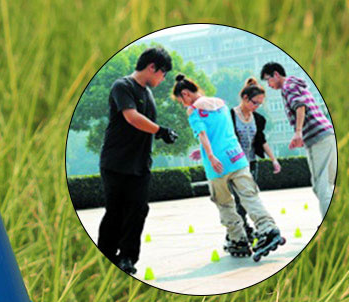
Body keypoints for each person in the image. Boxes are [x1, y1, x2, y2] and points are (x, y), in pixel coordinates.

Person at [172, 74, 282, 258]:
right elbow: (222, 132)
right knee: (250, 196)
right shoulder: (221, 103)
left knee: (224, 203)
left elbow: (202, 134)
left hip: (218, 164)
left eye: (180, 100)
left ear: (185, 94)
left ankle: (238, 239)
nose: (183, 104)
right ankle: (268, 229)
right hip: (237, 158)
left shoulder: (193, 110)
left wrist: (210, 156)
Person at [98, 47, 178, 275]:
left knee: (138, 210)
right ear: (152, 67)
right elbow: (132, 117)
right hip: (116, 162)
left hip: (140, 164)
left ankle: (127, 257)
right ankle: (106, 256)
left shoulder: (148, 94)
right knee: (115, 211)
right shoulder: (122, 86)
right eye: (163, 73)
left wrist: (160, 133)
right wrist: (161, 131)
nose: (163, 79)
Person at [260, 62, 336, 216]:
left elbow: (300, 106)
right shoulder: (296, 84)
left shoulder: (288, 87)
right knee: (327, 183)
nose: (268, 85)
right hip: (327, 133)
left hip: (317, 138)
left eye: (268, 80)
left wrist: (298, 132)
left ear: (276, 74)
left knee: (320, 185)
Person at [229, 79, 281, 240]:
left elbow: (261, 140)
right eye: (255, 102)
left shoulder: (258, 119)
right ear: (245, 98)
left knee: (249, 196)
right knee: (239, 199)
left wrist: (274, 159)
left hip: (251, 163)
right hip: (234, 164)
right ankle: (241, 229)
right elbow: (221, 138)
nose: (257, 106)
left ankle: (246, 228)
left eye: (260, 103)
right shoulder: (230, 116)